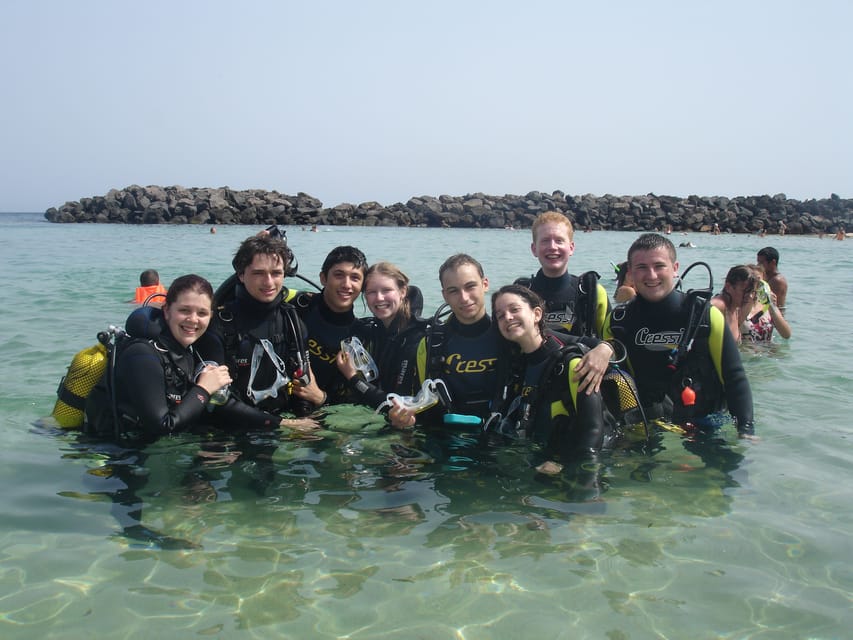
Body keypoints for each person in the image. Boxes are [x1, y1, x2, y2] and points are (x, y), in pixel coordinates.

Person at [390, 254, 613, 429]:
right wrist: (405, 421)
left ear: (485, 284)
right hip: (444, 439)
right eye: (453, 291)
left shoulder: (509, 330)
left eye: (470, 286)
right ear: (444, 295)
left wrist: (605, 347)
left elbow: (576, 342)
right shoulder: (430, 344)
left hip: (499, 440)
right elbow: (415, 404)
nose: (464, 298)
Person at [85, 275, 302, 440]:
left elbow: (220, 403)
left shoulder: (189, 351)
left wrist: (281, 423)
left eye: (202, 313)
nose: (193, 320)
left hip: (150, 447)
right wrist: (203, 389)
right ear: (167, 310)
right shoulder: (142, 355)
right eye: (184, 310)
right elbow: (163, 425)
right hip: (115, 455)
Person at [603, 234, 755, 437]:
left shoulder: (705, 316)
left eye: (659, 266)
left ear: (675, 269)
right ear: (630, 272)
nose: (651, 275)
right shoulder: (617, 321)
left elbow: (734, 377)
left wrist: (746, 430)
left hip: (703, 424)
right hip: (647, 425)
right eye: (641, 267)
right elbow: (612, 380)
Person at [490, 285, 615, 466]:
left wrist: (565, 467)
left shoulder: (573, 366)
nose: (507, 317)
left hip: (575, 468)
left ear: (537, 314)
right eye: (500, 315)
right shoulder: (516, 367)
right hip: (540, 463)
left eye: (514, 309)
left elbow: (593, 432)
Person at [209, 233, 323, 424]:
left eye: (276, 273)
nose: (269, 282)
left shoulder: (292, 321)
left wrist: (306, 420)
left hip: (281, 422)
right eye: (258, 273)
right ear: (241, 275)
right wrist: (283, 424)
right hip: (230, 429)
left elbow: (301, 384)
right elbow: (217, 400)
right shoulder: (221, 324)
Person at [335, 262, 427, 408]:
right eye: (371, 292)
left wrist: (352, 377)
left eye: (386, 290)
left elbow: (395, 405)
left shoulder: (417, 338)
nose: (379, 298)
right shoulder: (374, 332)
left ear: (403, 291)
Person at [514, 211, 610, 338]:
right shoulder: (520, 294)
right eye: (545, 241)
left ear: (571, 248)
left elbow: (612, 342)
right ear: (534, 249)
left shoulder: (591, 292)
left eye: (559, 240)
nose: (552, 247)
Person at [293, 245, 368, 405]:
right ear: (323, 278)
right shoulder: (296, 306)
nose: (347, 284)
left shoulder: (361, 335)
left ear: (363, 286)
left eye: (355, 278)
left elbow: (356, 397)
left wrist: (320, 397)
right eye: (339, 275)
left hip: (322, 414)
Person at [742, 265, 792, 342]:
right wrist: (749, 301)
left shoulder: (767, 304)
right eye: (752, 281)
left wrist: (771, 306)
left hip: (768, 351)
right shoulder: (737, 305)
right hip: (746, 351)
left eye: (759, 282)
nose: (756, 285)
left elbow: (786, 335)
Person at [711, 265, 758, 343]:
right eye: (745, 291)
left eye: (751, 291)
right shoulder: (717, 306)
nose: (749, 296)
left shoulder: (735, 308)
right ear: (728, 286)